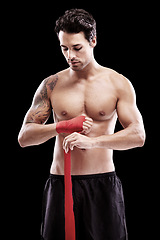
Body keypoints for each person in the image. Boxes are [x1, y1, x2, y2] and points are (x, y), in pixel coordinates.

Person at [18, 8, 145, 240]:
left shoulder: (118, 83)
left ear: (93, 41)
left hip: (103, 184)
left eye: (77, 48)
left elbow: (137, 135)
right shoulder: (51, 84)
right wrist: (60, 126)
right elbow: (24, 137)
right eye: (64, 48)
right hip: (61, 185)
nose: (70, 56)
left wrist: (93, 141)